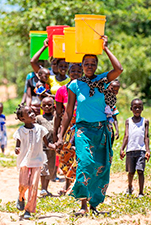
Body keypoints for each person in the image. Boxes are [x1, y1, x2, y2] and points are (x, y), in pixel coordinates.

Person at [56, 35, 123, 216]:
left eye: (93, 63)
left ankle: (94, 205)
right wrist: (61, 135)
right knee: (85, 163)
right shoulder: (74, 85)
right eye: (87, 63)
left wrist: (106, 48)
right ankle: (83, 206)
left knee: (101, 167)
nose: (90, 66)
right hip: (83, 130)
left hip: (101, 130)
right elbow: (68, 112)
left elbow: (119, 68)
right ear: (82, 65)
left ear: (96, 65)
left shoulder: (103, 80)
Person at [13, 105, 55, 219]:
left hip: (37, 161)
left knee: (33, 186)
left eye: (32, 112)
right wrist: (17, 149)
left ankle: (28, 210)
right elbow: (17, 145)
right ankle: (21, 197)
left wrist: (54, 146)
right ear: (22, 119)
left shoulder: (40, 129)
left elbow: (47, 144)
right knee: (23, 184)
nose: (33, 114)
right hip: (25, 162)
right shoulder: (20, 131)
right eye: (29, 113)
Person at [53, 63, 83, 195]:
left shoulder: (86, 89)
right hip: (68, 128)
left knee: (80, 155)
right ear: (69, 73)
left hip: (83, 126)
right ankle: (67, 182)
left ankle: (75, 186)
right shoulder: (61, 91)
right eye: (73, 71)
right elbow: (59, 114)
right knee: (66, 156)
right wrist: (57, 134)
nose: (75, 73)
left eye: (78, 71)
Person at [120, 98, 151, 198]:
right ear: (131, 109)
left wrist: (148, 150)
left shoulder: (145, 121)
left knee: (140, 171)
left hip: (141, 150)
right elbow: (126, 135)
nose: (137, 109)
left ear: (142, 109)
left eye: (139, 107)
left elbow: (146, 137)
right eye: (135, 107)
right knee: (131, 172)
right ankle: (129, 187)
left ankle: (141, 192)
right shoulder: (128, 121)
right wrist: (122, 149)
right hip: (130, 150)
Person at [36, 97, 56, 197]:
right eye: (44, 105)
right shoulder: (39, 118)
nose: (47, 107)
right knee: (44, 167)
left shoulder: (56, 118)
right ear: (41, 107)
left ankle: (46, 189)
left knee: (51, 168)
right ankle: (43, 188)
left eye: (49, 105)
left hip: (53, 147)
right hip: (42, 147)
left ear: (54, 106)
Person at [106, 80, 121, 145]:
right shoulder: (101, 102)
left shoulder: (112, 105)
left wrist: (117, 130)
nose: (114, 92)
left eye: (116, 90)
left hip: (109, 130)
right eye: (112, 89)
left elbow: (114, 118)